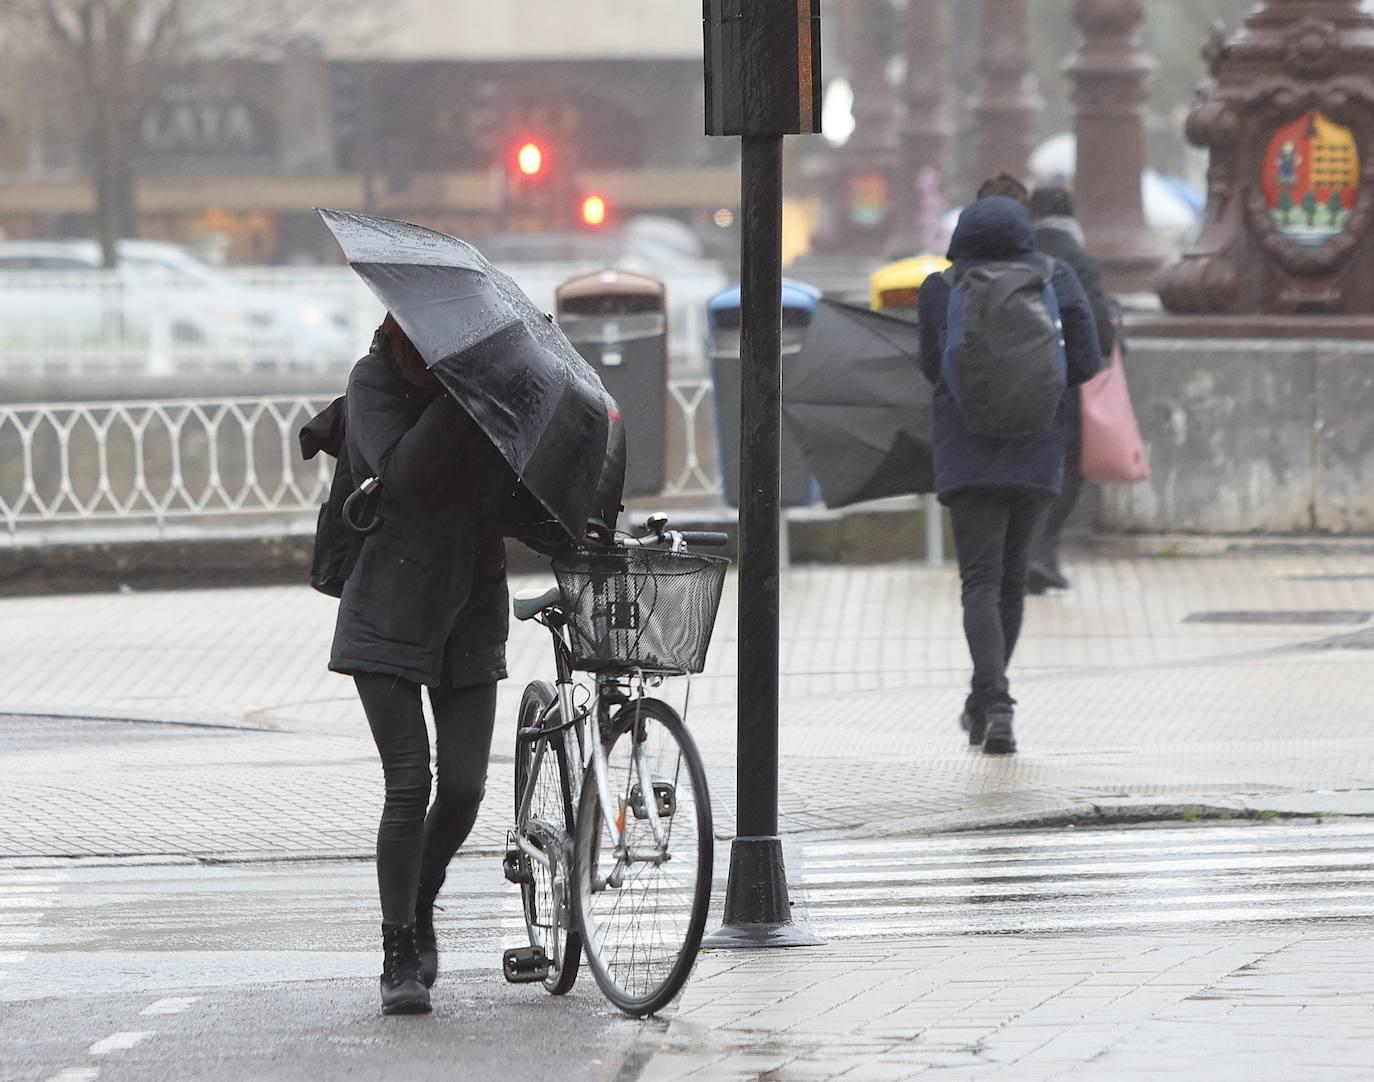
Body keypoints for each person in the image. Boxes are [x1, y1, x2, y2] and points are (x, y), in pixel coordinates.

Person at [330, 313, 514, 1015]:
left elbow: (510, 496)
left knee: (464, 790)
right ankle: (398, 951)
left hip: (469, 607)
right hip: (388, 608)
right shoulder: (372, 383)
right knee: (410, 782)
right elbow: (400, 477)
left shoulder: (486, 394)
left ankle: (420, 893)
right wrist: (457, 399)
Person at [918, 193, 1101, 755]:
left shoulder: (940, 287)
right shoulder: (1057, 275)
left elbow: (931, 367)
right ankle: (991, 703)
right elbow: (1088, 363)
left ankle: (992, 699)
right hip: (1036, 444)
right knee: (1012, 579)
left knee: (979, 580)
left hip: (966, 449)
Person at [1026, 185, 1118, 593]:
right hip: (1063, 381)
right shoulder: (1078, 260)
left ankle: (1027, 552)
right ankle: (1040, 549)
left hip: (1013, 379)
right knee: (1067, 466)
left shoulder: (1019, 253)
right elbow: (1097, 326)